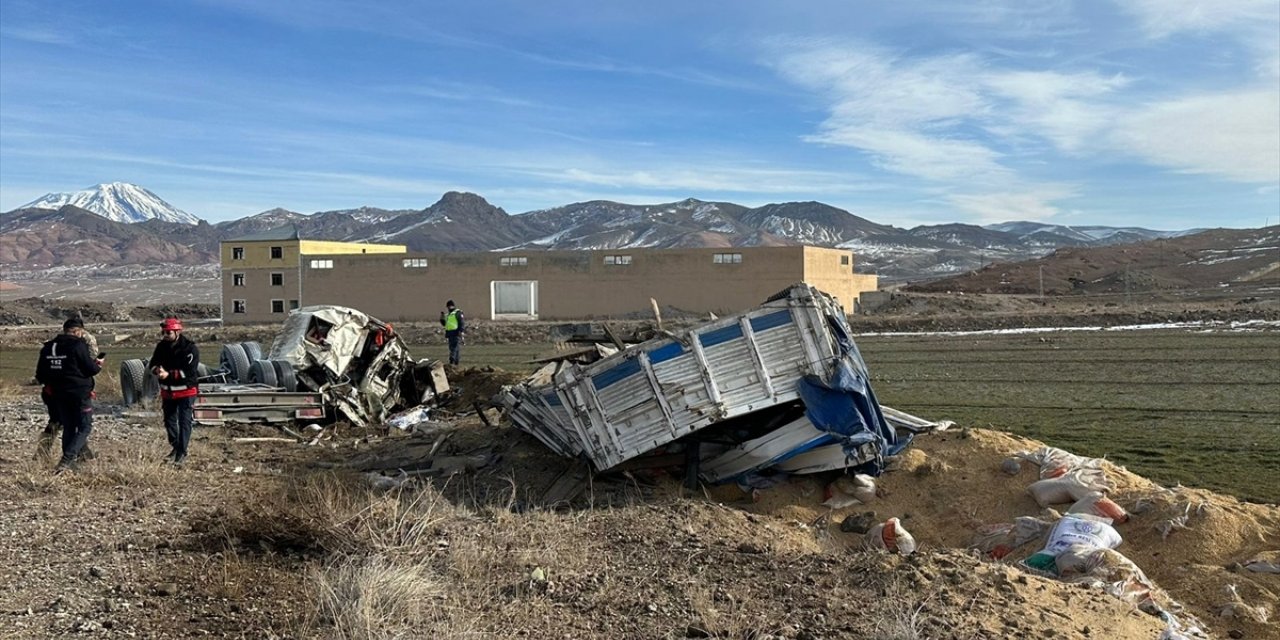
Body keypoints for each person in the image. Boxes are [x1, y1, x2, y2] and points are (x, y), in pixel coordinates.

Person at [35, 317, 103, 473]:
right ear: (78, 331)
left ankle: (72, 458)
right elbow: (90, 369)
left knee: (69, 426)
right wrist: (98, 365)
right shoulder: (78, 345)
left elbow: (40, 374)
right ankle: (67, 460)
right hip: (79, 393)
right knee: (85, 426)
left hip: (57, 394)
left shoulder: (48, 347)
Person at [149, 317, 201, 465]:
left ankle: (181, 453)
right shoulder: (161, 346)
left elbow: (189, 373)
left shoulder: (190, 349)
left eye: (168, 332)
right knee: (169, 421)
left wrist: (169, 374)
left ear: (177, 332)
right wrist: (156, 370)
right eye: (163, 332)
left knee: (184, 422)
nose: (165, 335)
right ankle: (176, 446)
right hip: (168, 391)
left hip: (186, 391)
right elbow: (153, 363)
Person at [439, 299, 465, 365]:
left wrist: (461, 331)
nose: (448, 308)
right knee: (455, 348)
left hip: (456, 332)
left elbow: (461, 322)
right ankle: (456, 363)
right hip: (450, 334)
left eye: (449, 306)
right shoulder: (448, 315)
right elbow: (445, 324)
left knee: (454, 347)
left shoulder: (457, 313)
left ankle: (452, 360)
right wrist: (442, 319)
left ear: (452, 306)